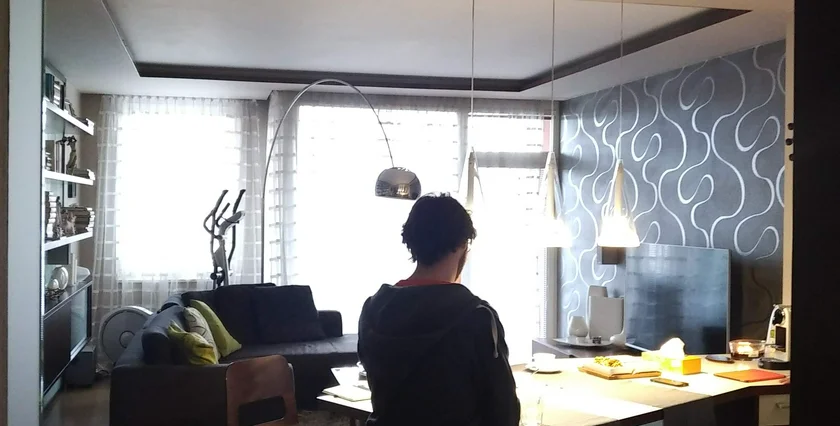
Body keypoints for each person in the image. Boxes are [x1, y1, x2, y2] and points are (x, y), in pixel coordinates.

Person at [358, 193, 520, 426]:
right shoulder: (477, 317)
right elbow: (504, 412)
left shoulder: (372, 309)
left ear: (411, 242)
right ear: (462, 245)